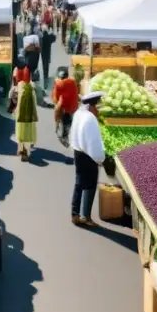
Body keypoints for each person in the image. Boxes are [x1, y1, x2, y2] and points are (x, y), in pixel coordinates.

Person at [69, 92, 105, 227]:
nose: (98, 111)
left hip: (78, 152)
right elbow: (93, 143)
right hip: (88, 156)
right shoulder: (90, 119)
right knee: (90, 185)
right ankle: (86, 217)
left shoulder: (79, 113)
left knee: (79, 183)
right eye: (97, 108)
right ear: (91, 106)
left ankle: (75, 214)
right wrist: (100, 159)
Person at [52, 66, 78, 147]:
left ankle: (65, 137)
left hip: (63, 107)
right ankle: (67, 135)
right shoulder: (72, 82)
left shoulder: (58, 83)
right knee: (68, 121)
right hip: (72, 106)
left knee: (64, 121)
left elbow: (55, 98)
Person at [15, 80, 38, 162]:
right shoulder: (32, 85)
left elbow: (13, 97)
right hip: (30, 115)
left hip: (20, 114)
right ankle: (25, 151)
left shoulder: (19, 84)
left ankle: (22, 150)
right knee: (28, 134)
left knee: (21, 133)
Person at [40, 24, 56, 88]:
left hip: (42, 54)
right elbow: (54, 38)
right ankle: (46, 80)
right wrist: (52, 32)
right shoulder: (49, 36)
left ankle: (45, 80)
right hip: (48, 54)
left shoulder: (41, 36)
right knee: (47, 67)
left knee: (44, 67)